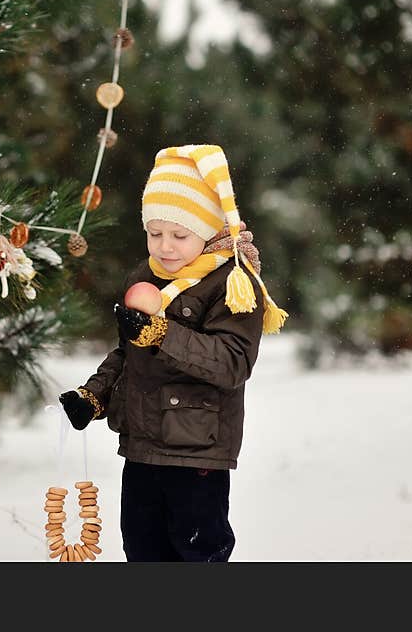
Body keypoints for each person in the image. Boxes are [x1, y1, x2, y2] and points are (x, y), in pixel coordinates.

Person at [59, 144, 287, 562]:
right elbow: (128, 353)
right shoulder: (144, 276)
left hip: (196, 452)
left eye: (180, 235)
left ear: (206, 229)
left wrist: (162, 335)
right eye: (154, 232)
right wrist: (94, 395)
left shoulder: (232, 284)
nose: (164, 246)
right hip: (142, 448)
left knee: (197, 550)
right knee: (143, 548)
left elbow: (232, 362)